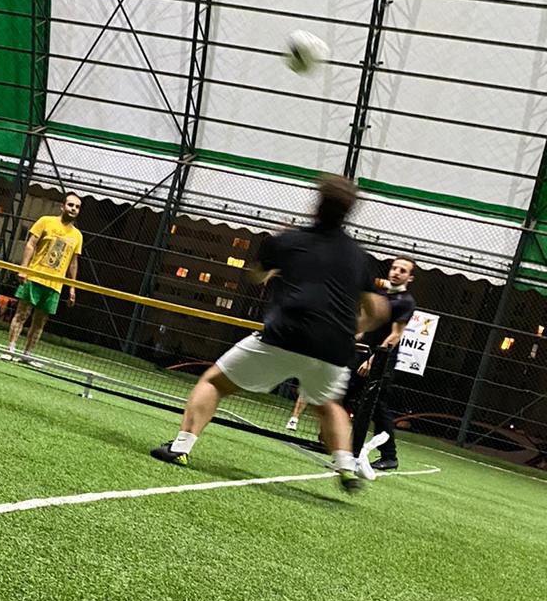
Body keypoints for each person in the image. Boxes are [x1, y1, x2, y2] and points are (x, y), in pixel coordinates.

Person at [150, 176, 388, 493]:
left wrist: (276, 255)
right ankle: (345, 467)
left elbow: (254, 275)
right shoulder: (358, 257)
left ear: (317, 205)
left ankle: (180, 448)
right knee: (328, 404)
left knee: (213, 382)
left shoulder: (289, 241)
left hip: (287, 334)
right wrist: (355, 329)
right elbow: (378, 311)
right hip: (334, 347)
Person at [285, 256, 415, 470]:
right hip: (363, 355)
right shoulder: (381, 295)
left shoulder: (405, 302)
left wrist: (375, 360)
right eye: (394, 268)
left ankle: (389, 456)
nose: (396, 272)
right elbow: (366, 326)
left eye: (403, 270)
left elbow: (395, 335)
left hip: (381, 360)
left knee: (377, 408)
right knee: (338, 394)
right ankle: (329, 443)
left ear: (409, 278)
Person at [3, 192, 83, 363]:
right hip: (35, 277)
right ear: (62, 206)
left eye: (77, 207)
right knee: (22, 314)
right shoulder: (46, 221)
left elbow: (73, 263)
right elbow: (31, 244)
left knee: (40, 322)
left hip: (55, 285)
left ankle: (27, 355)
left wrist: (72, 287)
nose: (73, 209)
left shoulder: (77, 236)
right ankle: (10, 350)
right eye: (70, 205)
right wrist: (23, 269)